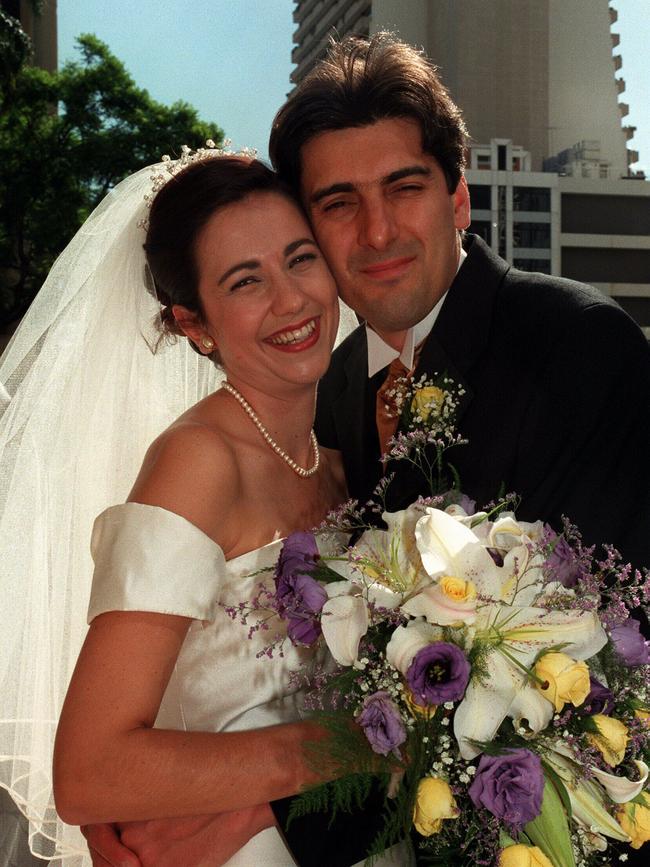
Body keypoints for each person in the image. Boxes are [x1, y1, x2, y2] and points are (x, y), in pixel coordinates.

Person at [82, 31, 650, 867]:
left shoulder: (578, 346)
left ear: (460, 198)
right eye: (338, 202)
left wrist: (264, 814)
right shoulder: (338, 385)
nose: (377, 229)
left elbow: (607, 671)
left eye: (405, 187)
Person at [0, 150, 407, 866]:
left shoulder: (340, 454)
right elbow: (90, 771)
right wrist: (357, 741)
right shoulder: (201, 461)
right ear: (195, 324)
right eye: (246, 280)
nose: (291, 300)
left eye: (300, 259)